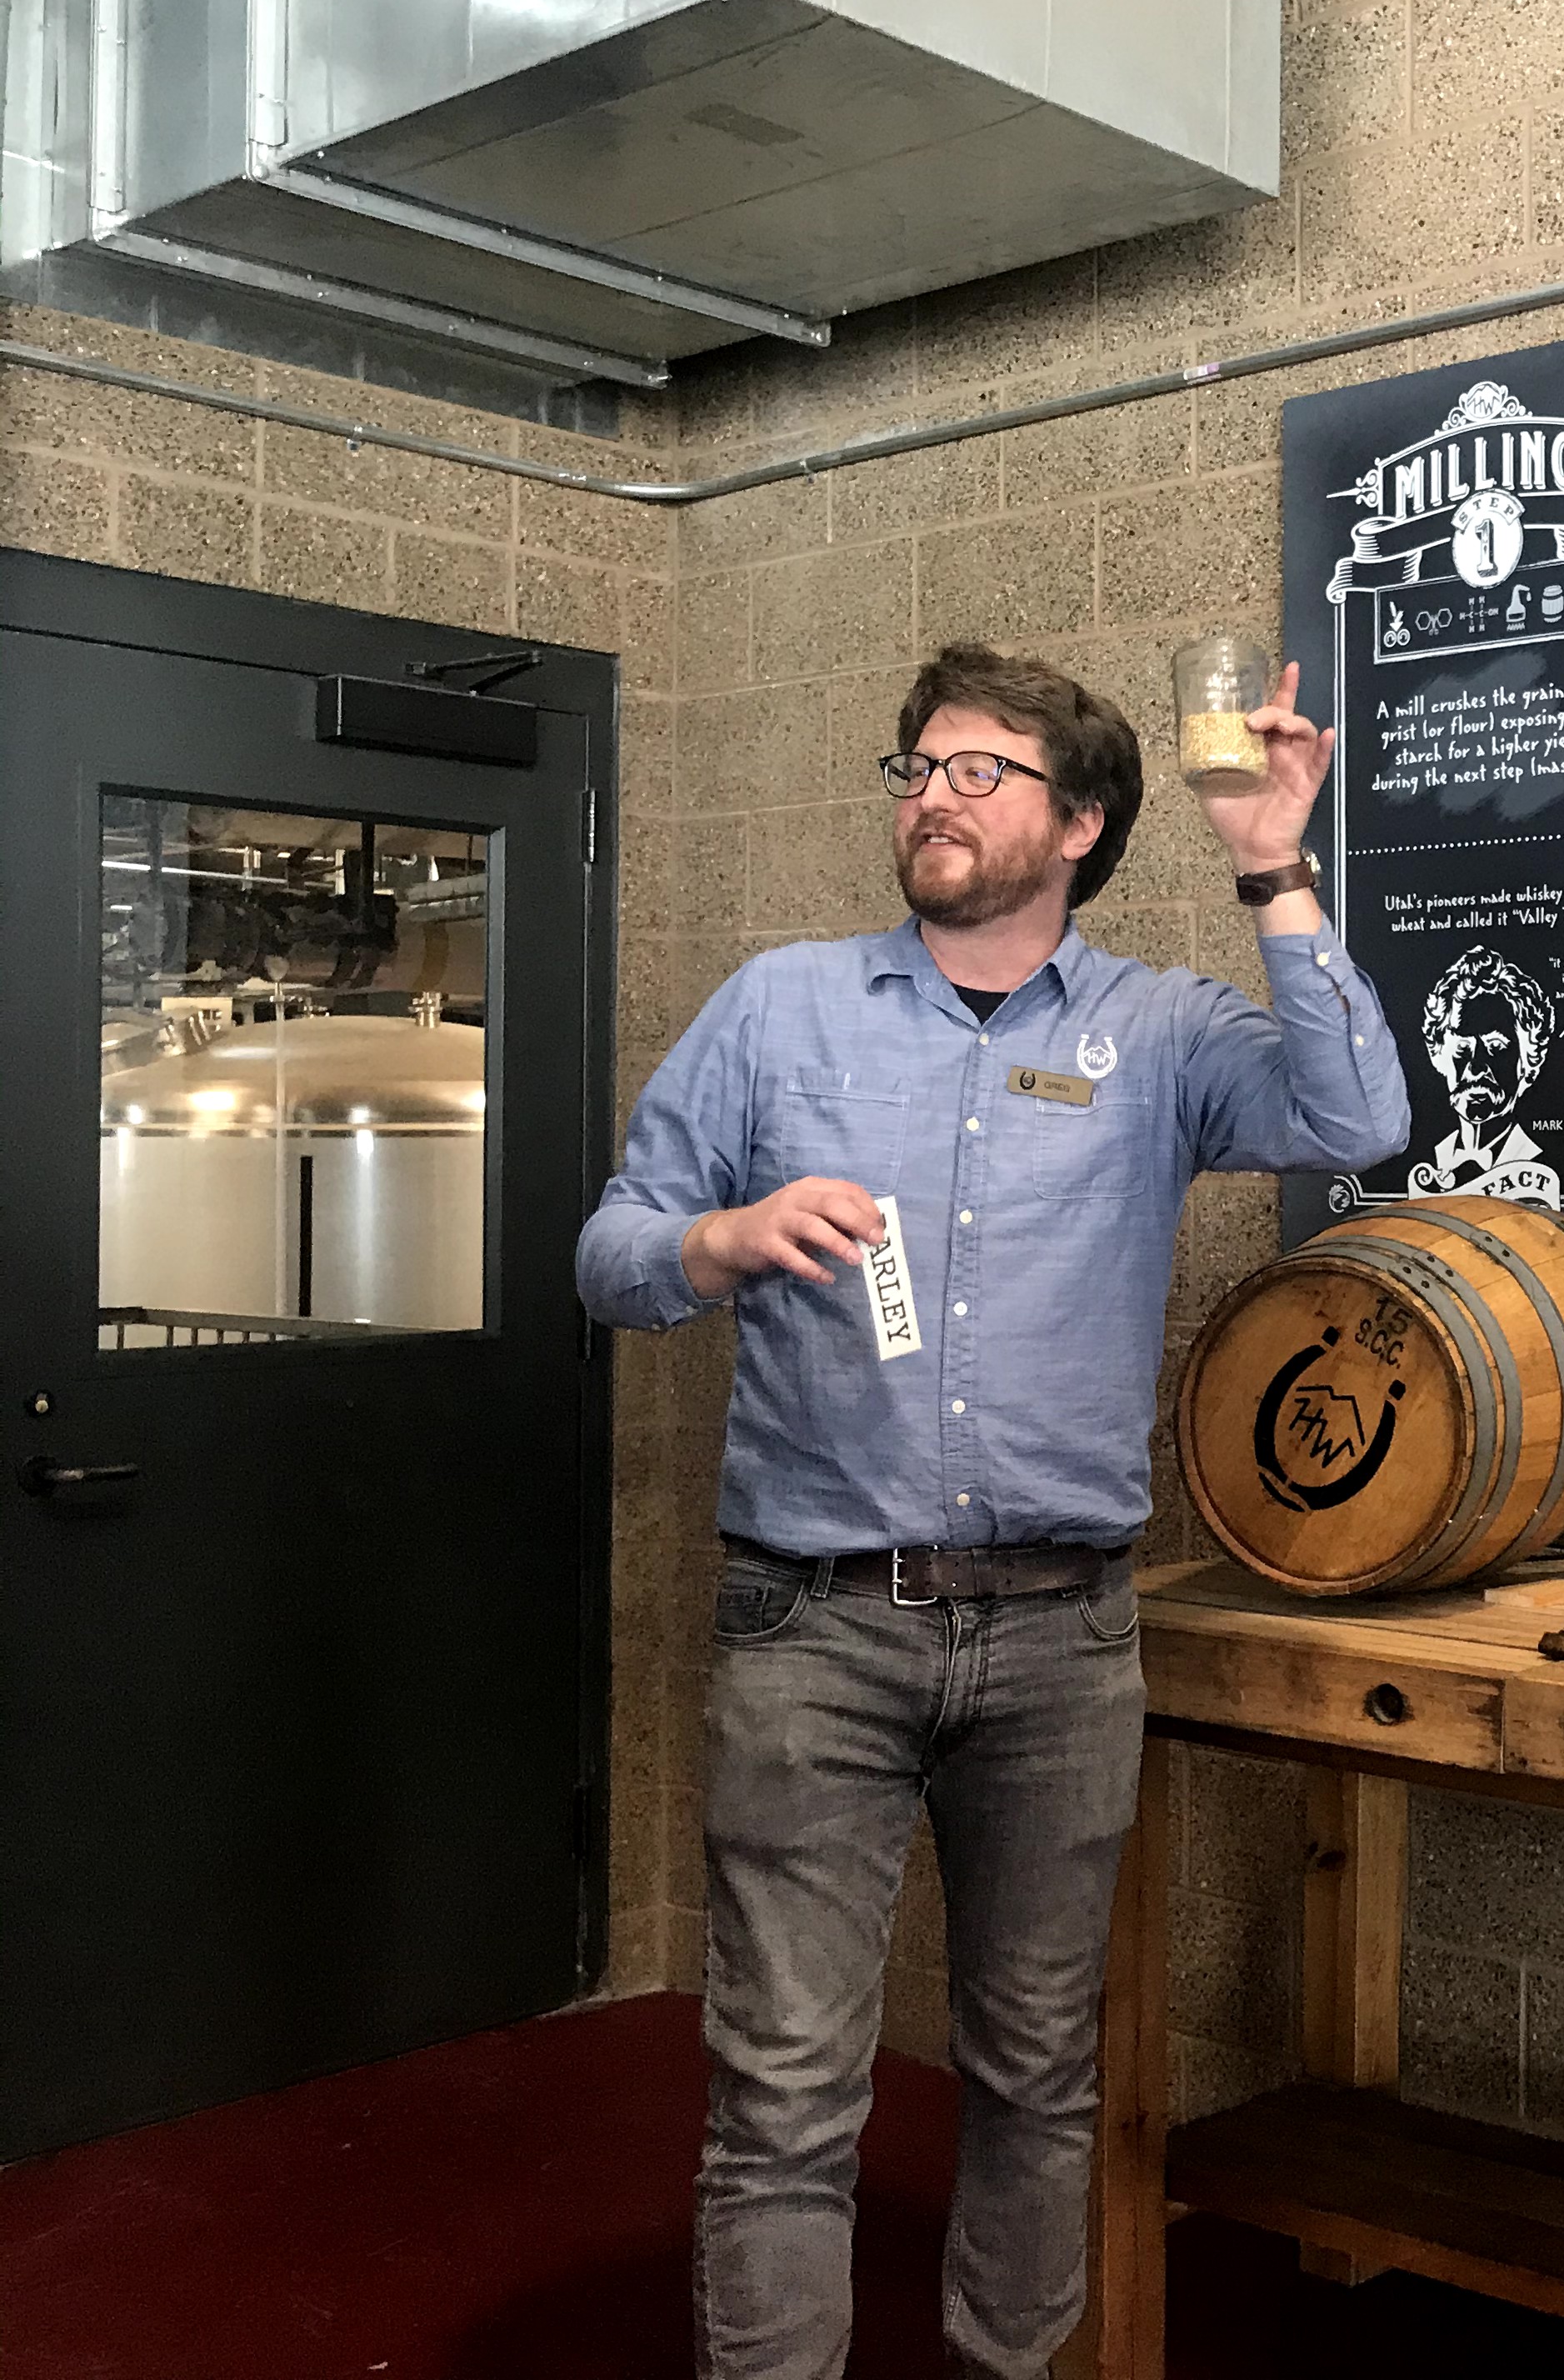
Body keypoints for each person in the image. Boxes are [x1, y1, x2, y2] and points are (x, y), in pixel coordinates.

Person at [575, 642, 1407, 2380]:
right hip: (812, 1628)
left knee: (1037, 2072)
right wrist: (711, 1244)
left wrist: (1272, 860)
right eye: (916, 768)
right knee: (787, 2081)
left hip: (1061, 1639)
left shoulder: (1162, 1033)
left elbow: (1359, 1116)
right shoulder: (779, 1006)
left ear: (1080, 820)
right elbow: (613, 1251)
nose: (930, 796)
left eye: (975, 771)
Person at [1413, 944, 1561, 1202]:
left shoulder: (1544, 1161)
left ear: (1529, 1061)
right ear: (1439, 1057)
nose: (1477, 1067)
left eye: (1496, 1048)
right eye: (1462, 1049)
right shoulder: (1425, 1155)